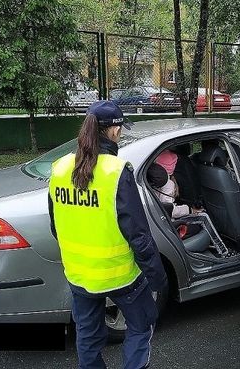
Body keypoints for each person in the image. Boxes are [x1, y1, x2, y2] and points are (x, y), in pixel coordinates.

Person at [48, 100, 167, 369]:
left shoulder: (59, 168)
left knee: (88, 336)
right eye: (120, 127)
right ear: (113, 131)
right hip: (121, 276)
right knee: (141, 324)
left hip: (79, 275)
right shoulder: (116, 172)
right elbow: (138, 236)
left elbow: (55, 226)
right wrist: (157, 278)